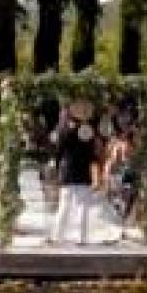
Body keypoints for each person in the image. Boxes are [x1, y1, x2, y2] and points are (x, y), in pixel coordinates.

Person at [49, 102, 100, 246]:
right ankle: (81, 238)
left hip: (68, 171)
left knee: (64, 205)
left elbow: (59, 151)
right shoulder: (89, 132)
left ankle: (58, 236)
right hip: (83, 171)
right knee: (83, 206)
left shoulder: (65, 131)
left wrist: (56, 167)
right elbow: (92, 155)